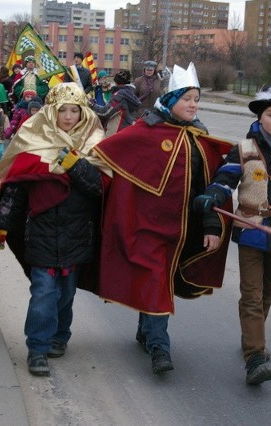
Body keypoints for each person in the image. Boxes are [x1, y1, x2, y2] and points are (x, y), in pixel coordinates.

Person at [93, 63, 233, 375]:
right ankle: (160, 348)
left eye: (197, 99)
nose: (194, 105)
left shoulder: (200, 140)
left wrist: (211, 226)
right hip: (145, 229)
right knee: (156, 281)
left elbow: (208, 187)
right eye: (187, 99)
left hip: (181, 231)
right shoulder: (146, 132)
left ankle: (146, 332)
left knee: (161, 283)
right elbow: (106, 154)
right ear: (170, 101)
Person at [195, 85, 271, 385]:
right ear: (260, 117)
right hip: (250, 233)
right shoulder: (244, 149)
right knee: (251, 295)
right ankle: (255, 357)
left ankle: (252, 337)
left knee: (268, 294)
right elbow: (225, 181)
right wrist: (211, 196)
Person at [0, 82, 112, 377]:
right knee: (44, 291)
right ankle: (37, 348)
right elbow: (16, 190)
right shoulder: (33, 142)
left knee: (66, 294)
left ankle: (60, 335)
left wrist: (76, 166)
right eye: (62, 111)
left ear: (83, 113)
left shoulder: (95, 146)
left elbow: (100, 190)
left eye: (75, 110)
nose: (68, 117)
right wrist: (3, 224)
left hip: (77, 235)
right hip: (42, 234)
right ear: (50, 113)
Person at [89, 69, 141, 136]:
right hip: (125, 130)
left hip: (116, 132)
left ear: (118, 82)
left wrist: (93, 105)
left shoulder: (120, 95)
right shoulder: (129, 93)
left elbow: (105, 112)